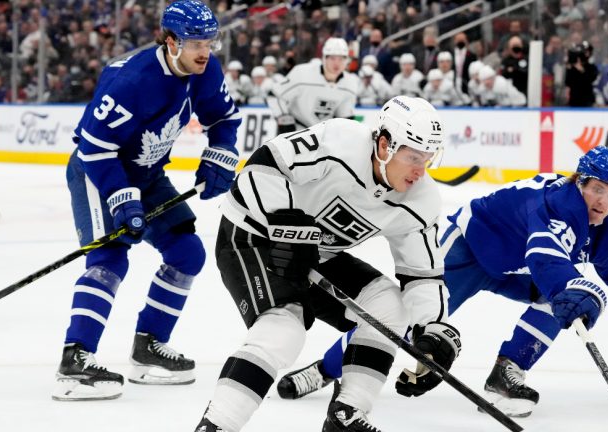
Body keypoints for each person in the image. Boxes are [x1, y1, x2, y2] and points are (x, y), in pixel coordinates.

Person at [276, 146, 608, 419]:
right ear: (580, 182)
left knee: (558, 302)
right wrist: (571, 289)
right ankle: (326, 368)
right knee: (406, 319)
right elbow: (545, 256)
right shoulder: (558, 206)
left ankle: (508, 372)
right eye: (596, 188)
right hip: (470, 248)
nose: (603, 201)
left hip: (517, 267)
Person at [195, 96, 458, 432]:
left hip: (316, 253)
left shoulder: (422, 200)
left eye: (428, 159)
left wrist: (434, 329)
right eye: (413, 157)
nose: (421, 171)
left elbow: (423, 275)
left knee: (391, 307)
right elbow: (264, 165)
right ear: (384, 145)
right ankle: (217, 425)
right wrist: (288, 230)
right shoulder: (340, 140)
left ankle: (346, 414)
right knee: (284, 327)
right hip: (253, 233)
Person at [53, 0, 241, 401]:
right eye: (195, 42)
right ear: (171, 42)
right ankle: (76, 358)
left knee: (187, 253)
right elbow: (95, 148)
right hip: (97, 172)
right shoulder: (132, 81)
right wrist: (123, 201)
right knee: (109, 259)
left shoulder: (204, 69)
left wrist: (220, 154)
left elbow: (224, 119)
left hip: (148, 174)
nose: (205, 50)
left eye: (211, 41)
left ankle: (149, 347)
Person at [266, 37, 359, 134]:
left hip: (322, 136)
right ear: (324, 58)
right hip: (295, 131)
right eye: (332, 58)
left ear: (347, 60)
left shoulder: (350, 83)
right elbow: (275, 95)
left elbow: (344, 115)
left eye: (341, 59)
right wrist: (284, 119)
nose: (337, 63)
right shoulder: (302, 73)